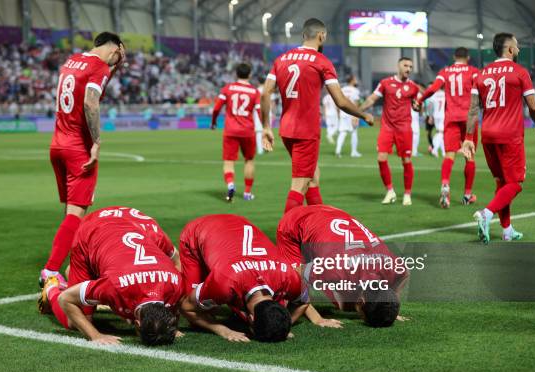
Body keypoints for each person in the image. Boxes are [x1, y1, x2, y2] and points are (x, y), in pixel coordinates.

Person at [260, 18, 373, 214]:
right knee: (299, 186)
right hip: (306, 131)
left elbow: (265, 92)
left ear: (304, 35)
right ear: (322, 36)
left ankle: (318, 228)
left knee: (313, 177)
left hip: (286, 129)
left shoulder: (281, 59)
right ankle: (286, 238)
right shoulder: (322, 62)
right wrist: (364, 115)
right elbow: (341, 101)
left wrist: (266, 127)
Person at [40, 32, 125, 286]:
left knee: (70, 211)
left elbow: (92, 89)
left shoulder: (72, 61)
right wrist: (97, 142)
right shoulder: (99, 67)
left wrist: (115, 68)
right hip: (78, 149)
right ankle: (51, 271)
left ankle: (75, 264)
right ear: (116, 48)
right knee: (77, 213)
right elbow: (91, 103)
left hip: (58, 144)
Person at [178, 214, 340, 342]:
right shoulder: (225, 282)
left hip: (238, 225)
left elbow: (304, 299)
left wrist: (284, 323)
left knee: (223, 301)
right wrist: (223, 330)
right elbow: (186, 308)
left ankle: (238, 309)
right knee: (202, 311)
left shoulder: (288, 276)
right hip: (197, 232)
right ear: (252, 318)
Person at [38, 206, 182, 346]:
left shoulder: (176, 284)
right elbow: (66, 299)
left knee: (109, 277)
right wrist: (95, 336)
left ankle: (77, 277)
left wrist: (165, 326)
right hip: (93, 229)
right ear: (137, 324)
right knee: (76, 321)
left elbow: (177, 261)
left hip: (139, 225)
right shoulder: (114, 286)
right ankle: (52, 286)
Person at [462, 33, 535, 243]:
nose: (518, 50)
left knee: (501, 183)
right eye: (517, 47)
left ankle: (507, 231)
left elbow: (473, 110)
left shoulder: (480, 75)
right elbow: (533, 106)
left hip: (488, 136)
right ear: (509, 49)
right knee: (515, 184)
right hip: (510, 136)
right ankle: (486, 214)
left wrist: (468, 138)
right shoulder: (519, 72)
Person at [276, 205, 407, 327]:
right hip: (295, 222)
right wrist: (317, 318)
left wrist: (389, 303)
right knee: (287, 293)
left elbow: (405, 273)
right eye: (362, 316)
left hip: (332, 214)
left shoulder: (388, 265)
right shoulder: (335, 268)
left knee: (342, 299)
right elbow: (297, 274)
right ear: (361, 301)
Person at [418, 47, 480, 208]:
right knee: (469, 156)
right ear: (467, 57)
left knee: (449, 156)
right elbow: (483, 89)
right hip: (469, 119)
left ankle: (445, 185)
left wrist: (419, 100)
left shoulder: (445, 71)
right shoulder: (473, 71)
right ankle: (467, 195)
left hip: (451, 118)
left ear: (454, 56)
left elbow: (432, 89)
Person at [360, 57, 421, 206]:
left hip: (404, 128)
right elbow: (372, 99)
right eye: (406, 65)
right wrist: (358, 112)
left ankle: (407, 194)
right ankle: (390, 191)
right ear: (398, 66)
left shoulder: (413, 87)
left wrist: (418, 107)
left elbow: (417, 106)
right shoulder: (385, 83)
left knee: (406, 160)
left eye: (411, 67)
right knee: (381, 158)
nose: (408, 69)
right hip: (387, 127)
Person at [211, 63, 261, 202]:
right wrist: (264, 126)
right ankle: (247, 193)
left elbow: (216, 108)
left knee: (228, 161)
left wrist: (214, 122)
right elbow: (258, 110)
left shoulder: (228, 88)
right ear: (250, 74)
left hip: (230, 131)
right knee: (249, 161)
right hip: (247, 131)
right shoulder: (254, 91)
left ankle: (231, 184)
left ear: (236, 74)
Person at [335, 75, 362, 158]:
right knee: (354, 132)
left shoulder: (342, 90)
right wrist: (356, 115)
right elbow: (356, 103)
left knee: (342, 132)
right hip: (351, 113)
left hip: (343, 113)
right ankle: (353, 152)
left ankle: (338, 150)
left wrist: (338, 113)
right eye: (355, 79)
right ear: (352, 81)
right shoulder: (355, 90)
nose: (356, 81)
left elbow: (338, 102)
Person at [254, 76, 276, 155]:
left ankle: (260, 150)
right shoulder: (268, 89)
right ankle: (268, 148)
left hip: (257, 112)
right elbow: (272, 103)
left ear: (258, 82)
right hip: (268, 112)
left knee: (259, 131)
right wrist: (273, 112)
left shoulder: (255, 90)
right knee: (268, 129)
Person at [426, 89, 446, 160]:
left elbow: (429, 105)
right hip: (443, 115)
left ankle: (444, 152)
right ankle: (434, 149)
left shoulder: (434, 94)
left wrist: (430, 116)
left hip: (436, 115)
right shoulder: (445, 93)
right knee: (441, 133)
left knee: (440, 133)